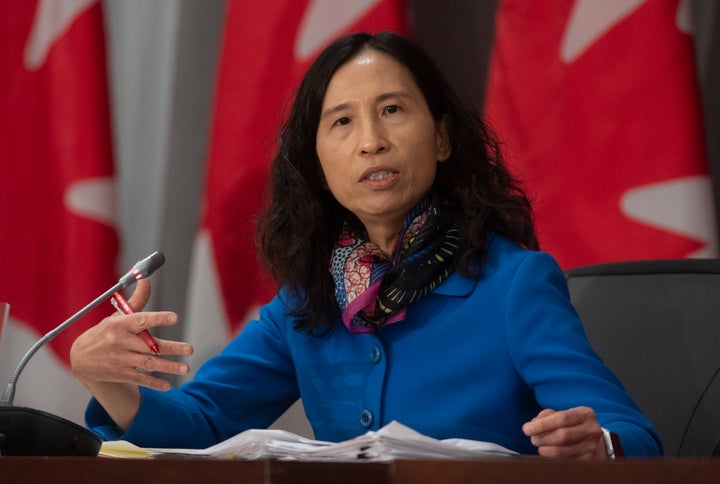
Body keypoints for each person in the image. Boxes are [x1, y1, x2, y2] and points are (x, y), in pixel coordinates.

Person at [70, 31, 662, 459]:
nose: (371, 142)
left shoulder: (515, 284)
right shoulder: (306, 304)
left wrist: (598, 446)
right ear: (319, 162)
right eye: (342, 122)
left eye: (393, 111)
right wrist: (108, 381)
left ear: (442, 139)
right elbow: (200, 425)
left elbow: (632, 437)